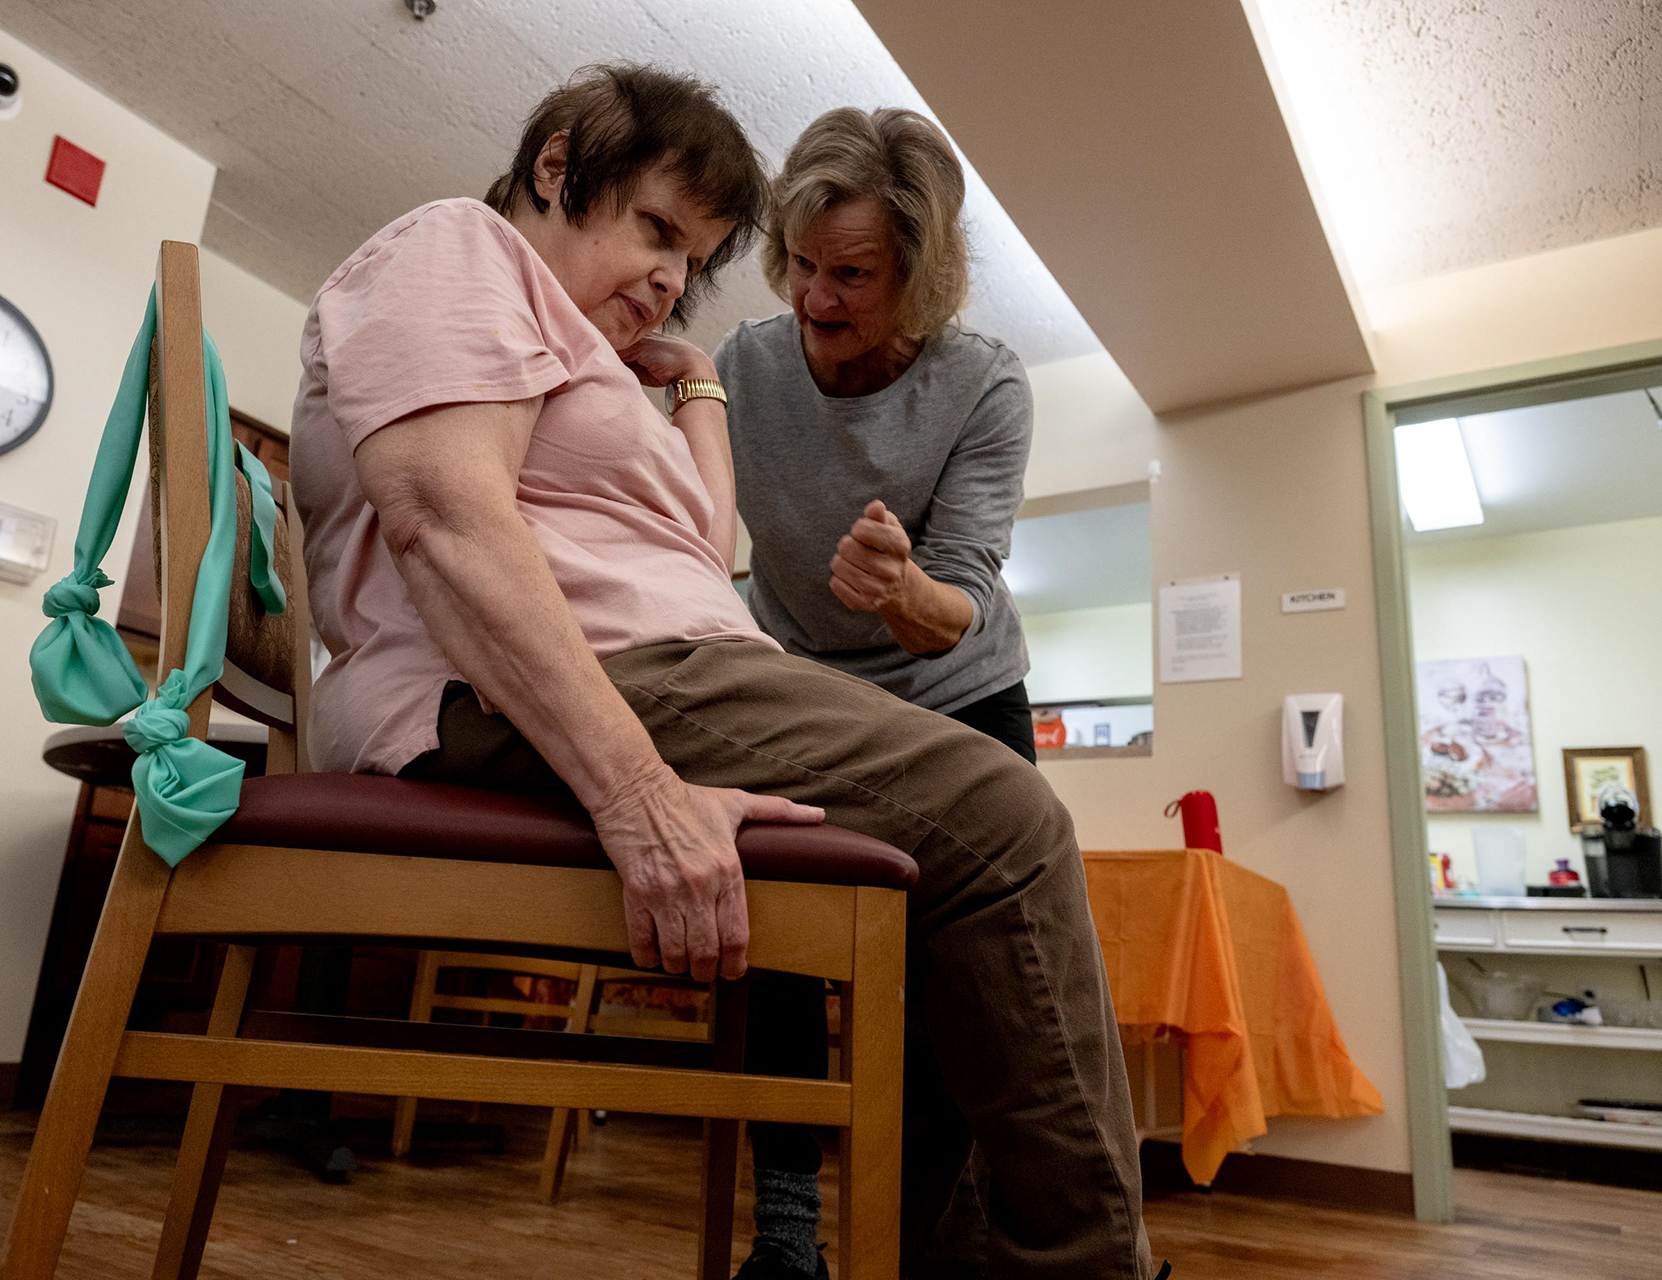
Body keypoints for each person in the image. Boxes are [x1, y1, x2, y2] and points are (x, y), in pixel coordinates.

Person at [288, 63, 1154, 1280]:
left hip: (747, 656)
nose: (669, 277)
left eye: (691, 258)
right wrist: (638, 795)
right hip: (556, 677)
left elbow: (697, 547)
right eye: (654, 229)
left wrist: (681, 381)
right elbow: (443, 518)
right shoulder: (460, 248)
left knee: (974, 870)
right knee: (1009, 823)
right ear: (556, 166)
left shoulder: (603, 353)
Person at [709, 107, 1040, 1277]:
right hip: (799, 687)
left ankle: (917, 1242)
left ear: (923, 276)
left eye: (851, 274)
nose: (816, 297)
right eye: (802, 263)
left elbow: (963, 592)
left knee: (962, 979)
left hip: (956, 691)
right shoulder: (743, 365)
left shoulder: (986, 386)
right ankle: (789, 1238)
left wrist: (901, 592)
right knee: (784, 940)